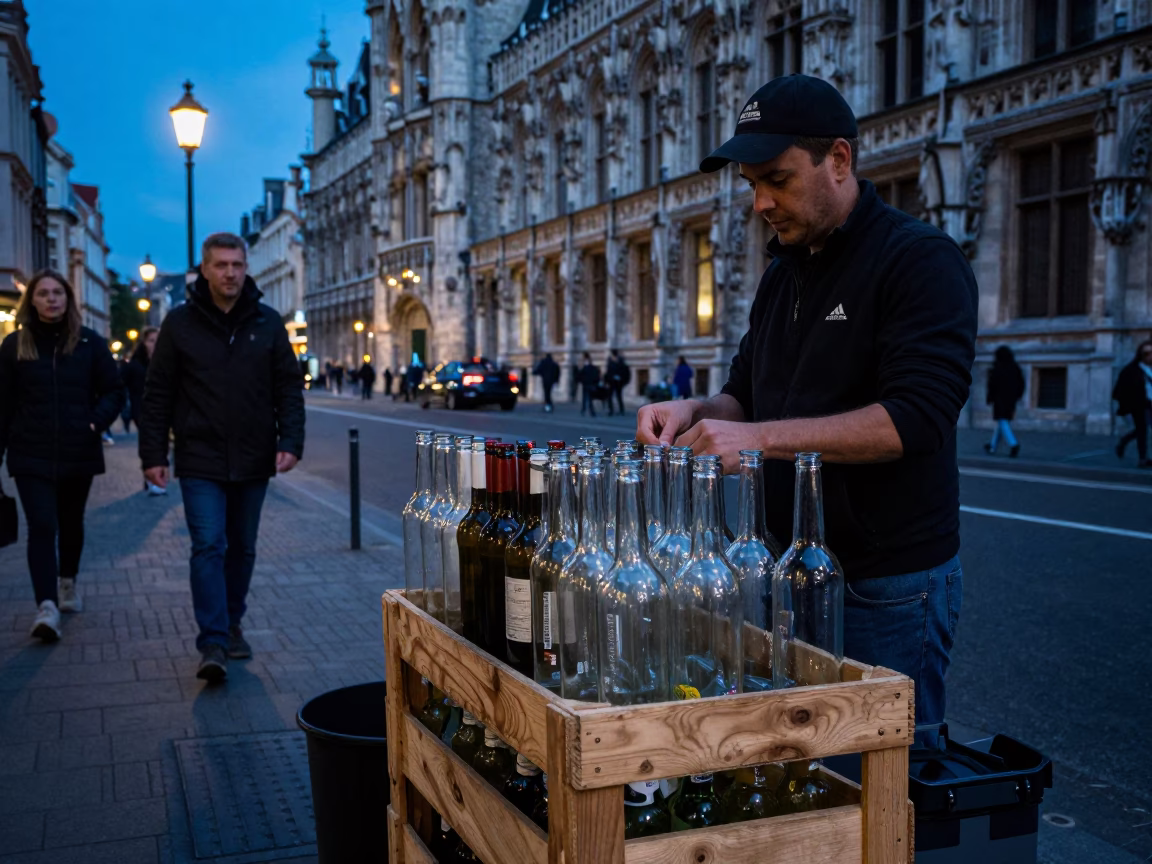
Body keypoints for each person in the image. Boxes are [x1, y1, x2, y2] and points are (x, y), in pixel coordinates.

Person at [636, 74, 977, 730]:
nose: (762, 201)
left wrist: (761, 440)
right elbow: (744, 393)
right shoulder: (782, 273)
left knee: (882, 782)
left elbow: (918, 417)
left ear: (839, 160)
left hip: (884, 586)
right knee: (804, 769)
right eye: (751, 185)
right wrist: (693, 413)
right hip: (784, 571)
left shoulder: (919, 260)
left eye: (779, 179)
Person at [139, 233, 305, 681]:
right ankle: (211, 640)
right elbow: (157, 394)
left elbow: (288, 387)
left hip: (254, 457)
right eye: (221, 265)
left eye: (237, 264)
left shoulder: (267, 323)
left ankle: (232, 623)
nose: (230, 273)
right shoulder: (181, 324)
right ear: (205, 270)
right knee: (209, 544)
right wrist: (153, 454)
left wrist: (290, 440)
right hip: (199, 456)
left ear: (245, 267)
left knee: (242, 548)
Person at [0, 270, 125, 641]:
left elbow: (114, 392)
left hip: (77, 450)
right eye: (43, 293)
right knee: (42, 525)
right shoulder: (15, 346)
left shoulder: (89, 343)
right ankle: (47, 606)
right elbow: (2, 405)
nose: (51, 299)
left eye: (58, 293)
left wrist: (93, 424)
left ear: (68, 299)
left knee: (71, 523)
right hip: (29, 451)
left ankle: (67, 580)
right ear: (32, 300)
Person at [121, 328, 167, 494]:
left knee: (159, 440)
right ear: (144, 343)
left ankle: (157, 475)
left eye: (157, 340)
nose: (154, 345)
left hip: (162, 410)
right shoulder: (135, 365)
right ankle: (151, 477)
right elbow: (120, 384)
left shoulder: (166, 363)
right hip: (141, 409)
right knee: (149, 440)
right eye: (151, 340)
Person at [1114, 339, 1152, 468]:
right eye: (1147, 353)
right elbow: (1119, 390)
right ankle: (1143, 459)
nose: (1150, 356)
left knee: (1143, 430)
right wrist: (1127, 405)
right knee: (1143, 431)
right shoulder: (1131, 370)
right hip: (1139, 405)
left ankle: (1124, 441)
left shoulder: (1150, 369)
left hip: (1150, 403)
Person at [982, 346, 1025, 458]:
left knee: (1002, 421)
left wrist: (989, 398)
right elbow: (1021, 383)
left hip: (999, 399)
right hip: (1011, 399)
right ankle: (992, 446)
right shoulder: (1015, 367)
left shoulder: (997, 368)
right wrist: (1018, 396)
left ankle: (1013, 444)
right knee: (1002, 422)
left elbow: (992, 385)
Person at [605, 349, 630, 416]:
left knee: (619, 396)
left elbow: (623, 371)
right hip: (611, 381)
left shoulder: (620, 361)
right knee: (610, 396)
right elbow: (608, 372)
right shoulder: (610, 361)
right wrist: (607, 380)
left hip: (619, 382)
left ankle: (621, 410)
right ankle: (611, 410)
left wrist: (621, 378)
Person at [578, 352, 600, 417]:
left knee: (586, 398)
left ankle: (585, 410)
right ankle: (589, 411)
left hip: (587, 384)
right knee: (588, 399)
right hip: (590, 384)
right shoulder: (591, 366)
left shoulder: (585, 366)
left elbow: (581, 374)